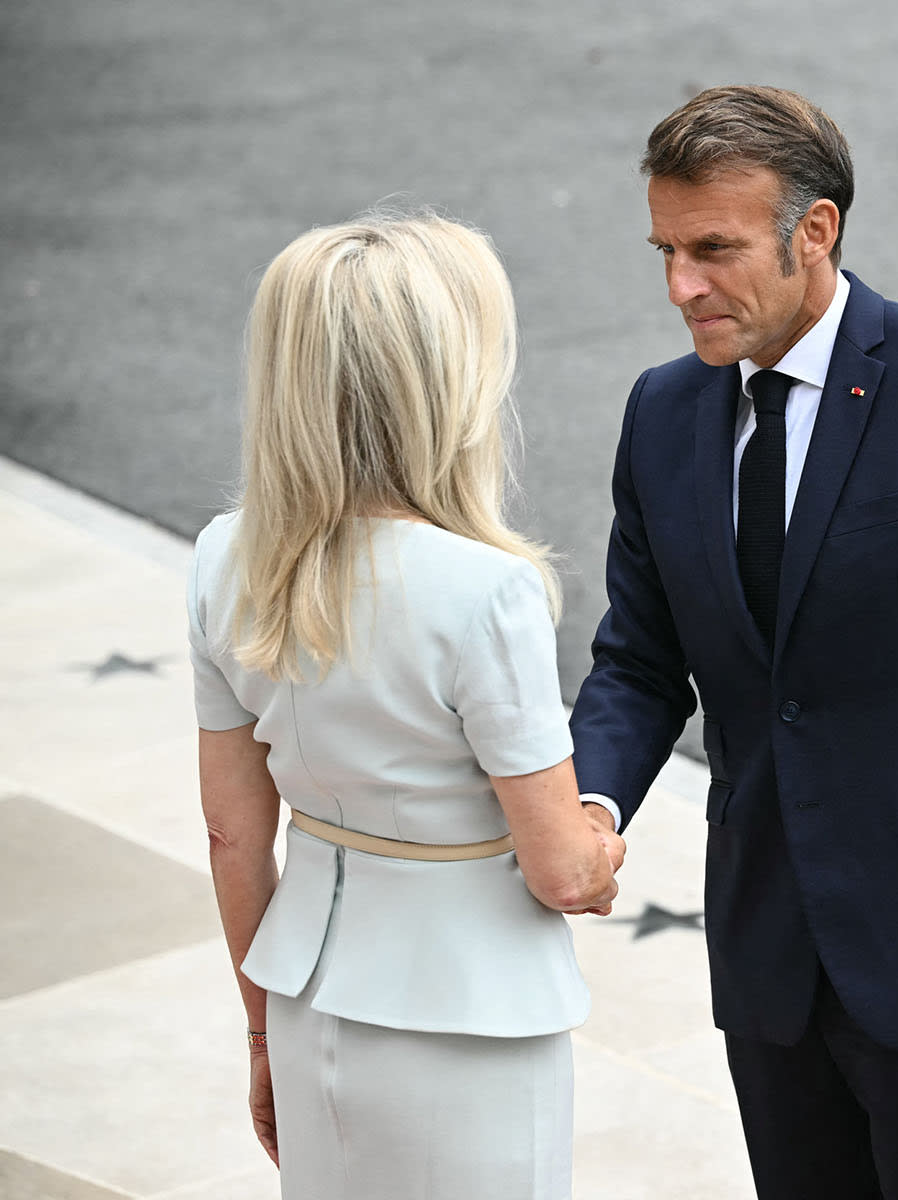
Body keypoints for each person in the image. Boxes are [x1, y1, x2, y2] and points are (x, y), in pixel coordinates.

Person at [568, 85, 898, 1199]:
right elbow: (637, 656)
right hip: (769, 951)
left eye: (713, 249)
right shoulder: (663, 413)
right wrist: (591, 804)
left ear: (813, 232)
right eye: (667, 250)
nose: (682, 286)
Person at [190, 211, 624, 1200]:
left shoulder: (224, 558)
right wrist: (600, 844)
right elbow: (561, 868)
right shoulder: (487, 592)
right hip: (476, 1019)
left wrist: (260, 1026)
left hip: (307, 995)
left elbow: (230, 832)